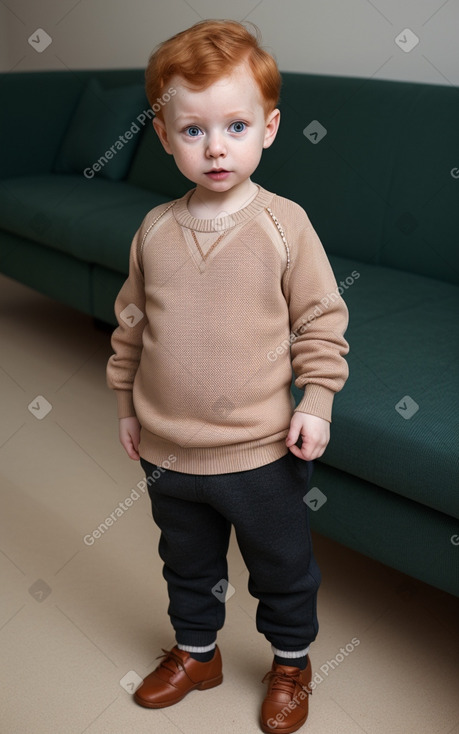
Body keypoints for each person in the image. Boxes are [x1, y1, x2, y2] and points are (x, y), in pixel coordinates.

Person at [106, 18, 349, 733]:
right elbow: (129, 328)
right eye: (193, 131)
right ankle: (196, 652)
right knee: (185, 563)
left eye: (235, 126)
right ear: (163, 135)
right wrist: (126, 405)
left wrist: (319, 401)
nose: (215, 147)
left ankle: (291, 664)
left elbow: (320, 321)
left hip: (260, 453)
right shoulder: (153, 229)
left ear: (269, 128)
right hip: (168, 451)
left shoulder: (285, 225)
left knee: (281, 568)